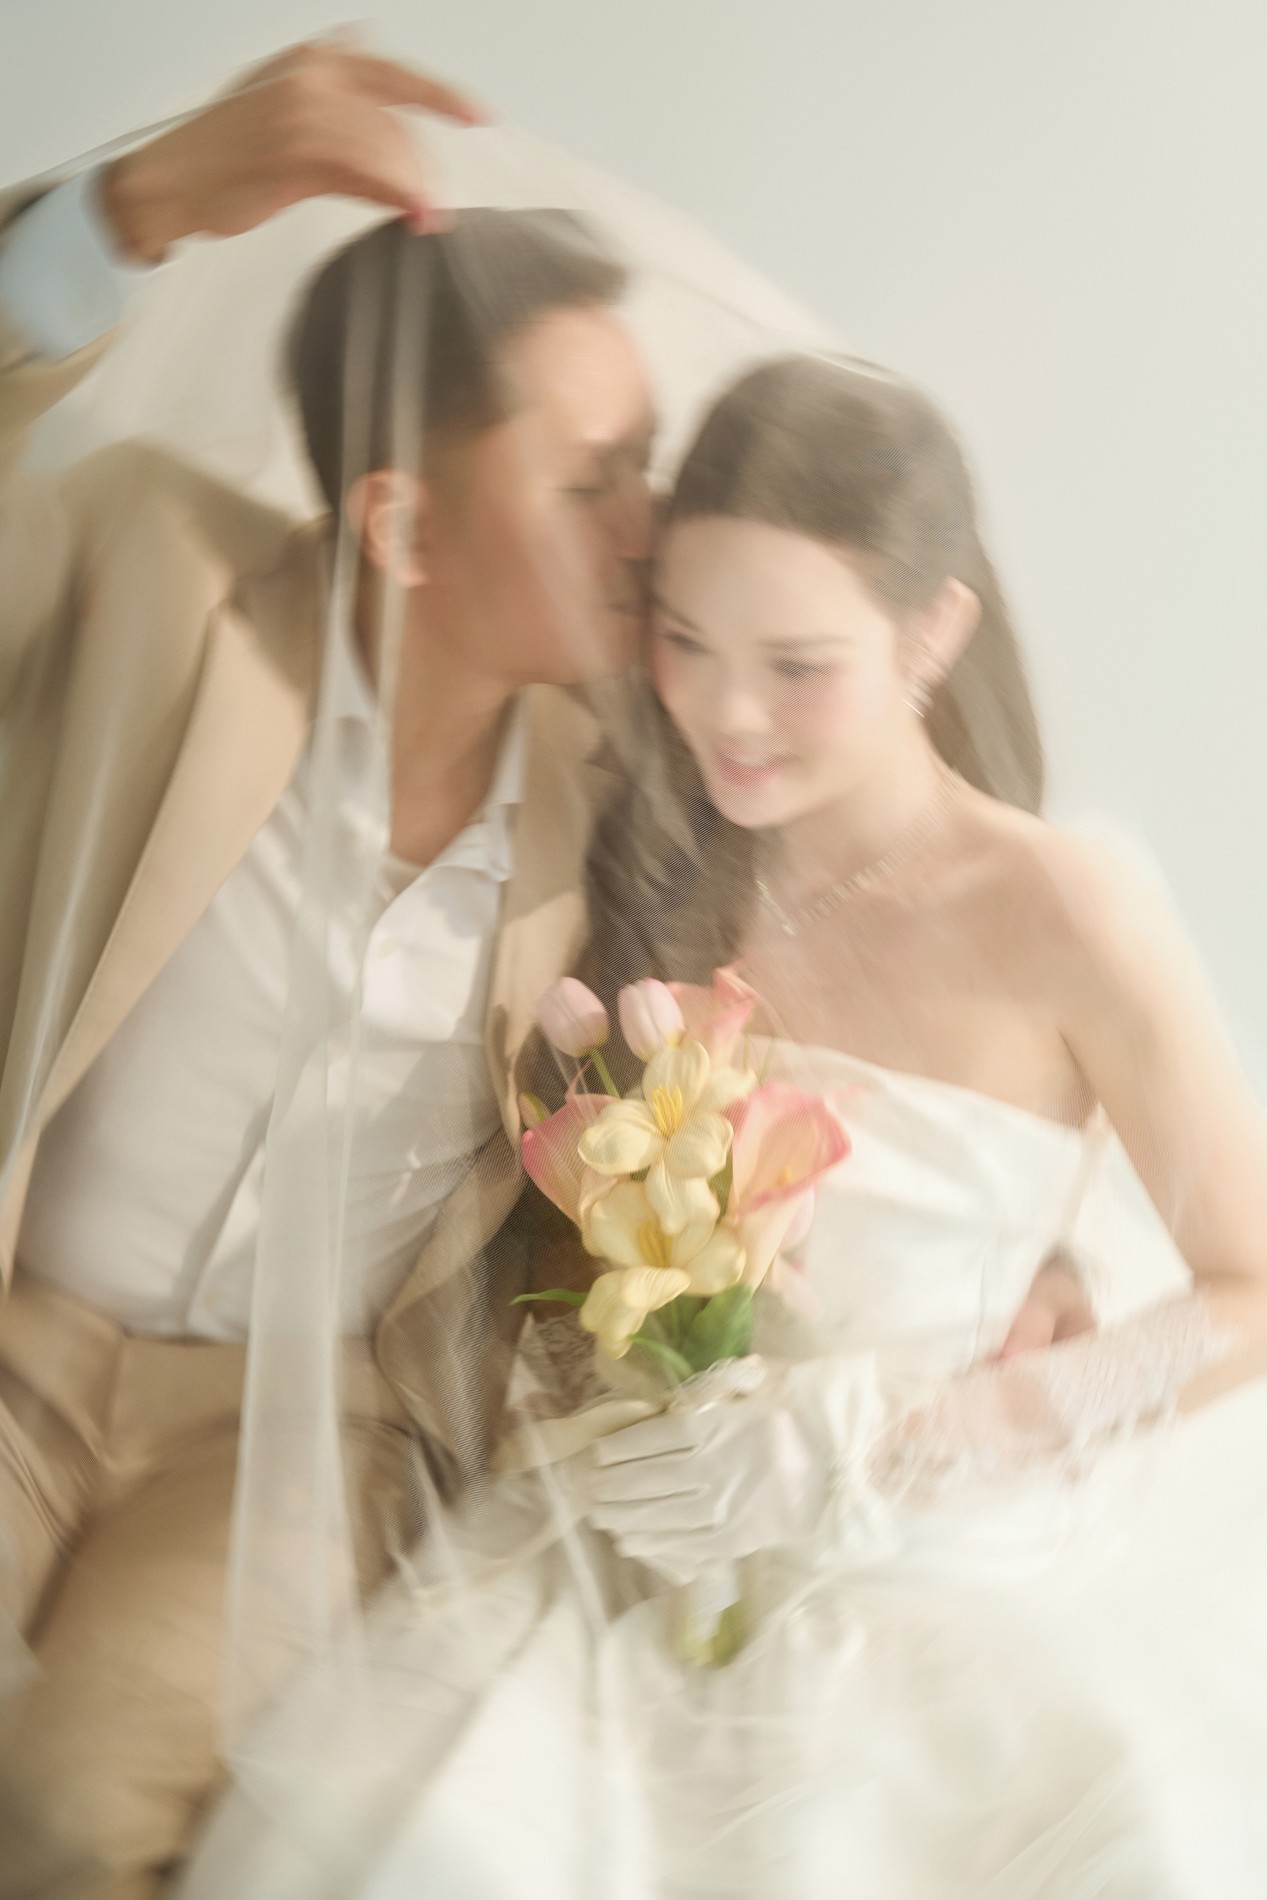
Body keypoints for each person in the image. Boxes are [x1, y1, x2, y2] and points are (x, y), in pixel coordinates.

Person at [181, 353, 1267, 1899]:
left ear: (934, 633)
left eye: (798, 665)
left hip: (934, 1568)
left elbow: (1251, 1286)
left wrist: (921, 1434)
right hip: (638, 1540)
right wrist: (625, 1400)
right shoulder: (644, 854)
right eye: (685, 641)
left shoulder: (1065, 910)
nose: (730, 714)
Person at [0, 41, 658, 1896]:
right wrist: (126, 212)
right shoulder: (157, 570)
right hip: (21, 1339)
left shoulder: (630, 802)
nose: (650, 530)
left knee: (69, 1819)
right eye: (593, 480)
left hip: (293, 1447)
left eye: (649, 467)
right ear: (402, 526)